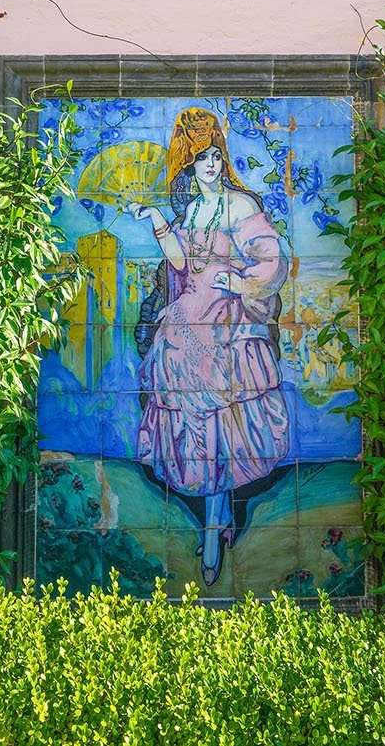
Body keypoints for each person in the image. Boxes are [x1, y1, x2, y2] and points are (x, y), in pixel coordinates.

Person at [125, 107, 291, 587]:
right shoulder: (192, 209)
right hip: (186, 326)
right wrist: (158, 220)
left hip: (225, 324)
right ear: (189, 167)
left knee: (221, 422)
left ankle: (217, 528)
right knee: (196, 423)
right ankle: (216, 519)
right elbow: (179, 262)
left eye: (216, 156)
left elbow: (272, 260)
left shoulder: (239, 205)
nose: (211, 166)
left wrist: (238, 284)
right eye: (201, 160)